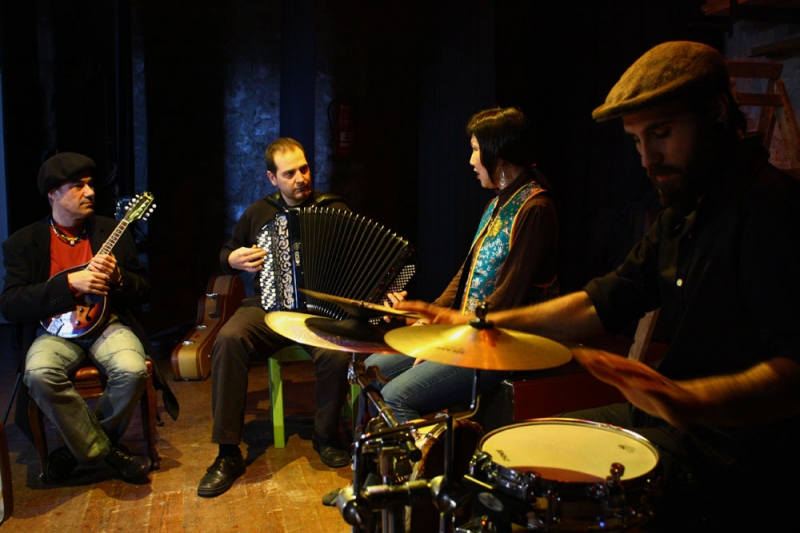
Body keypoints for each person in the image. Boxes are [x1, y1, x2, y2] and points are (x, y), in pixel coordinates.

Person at [397, 41, 800, 532]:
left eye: (662, 133)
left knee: (537, 494)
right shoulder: (681, 214)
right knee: (508, 452)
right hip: (668, 418)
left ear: (717, 112)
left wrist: (689, 399)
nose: (648, 158)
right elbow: (602, 300)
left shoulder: (771, 211)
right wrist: (481, 323)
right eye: (636, 141)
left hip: (733, 452)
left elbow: (792, 372)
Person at [363, 106, 559, 425]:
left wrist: (446, 340)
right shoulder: (496, 203)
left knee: (396, 396)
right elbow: (465, 275)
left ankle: (425, 458)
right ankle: (377, 458)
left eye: (476, 150)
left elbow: (505, 301)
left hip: (504, 345)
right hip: (470, 333)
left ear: (499, 154)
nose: (471, 161)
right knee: (370, 369)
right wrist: (430, 318)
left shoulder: (535, 208)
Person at [198, 137, 354, 498]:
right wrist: (233, 259)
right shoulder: (258, 213)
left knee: (336, 352)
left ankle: (325, 435)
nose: (300, 178)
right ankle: (227, 453)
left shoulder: (334, 208)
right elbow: (226, 252)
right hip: (268, 306)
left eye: (304, 169)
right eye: (289, 173)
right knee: (229, 339)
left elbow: (359, 258)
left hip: (320, 311)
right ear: (272, 178)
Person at [0, 152, 160, 484]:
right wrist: (69, 284)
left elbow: (144, 290)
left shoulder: (112, 230)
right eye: (77, 186)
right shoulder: (23, 243)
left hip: (108, 325)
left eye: (90, 184)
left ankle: (75, 452)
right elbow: (11, 304)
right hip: (54, 332)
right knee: (39, 374)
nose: (90, 192)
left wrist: (118, 278)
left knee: (132, 371)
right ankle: (107, 452)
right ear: (52, 194)